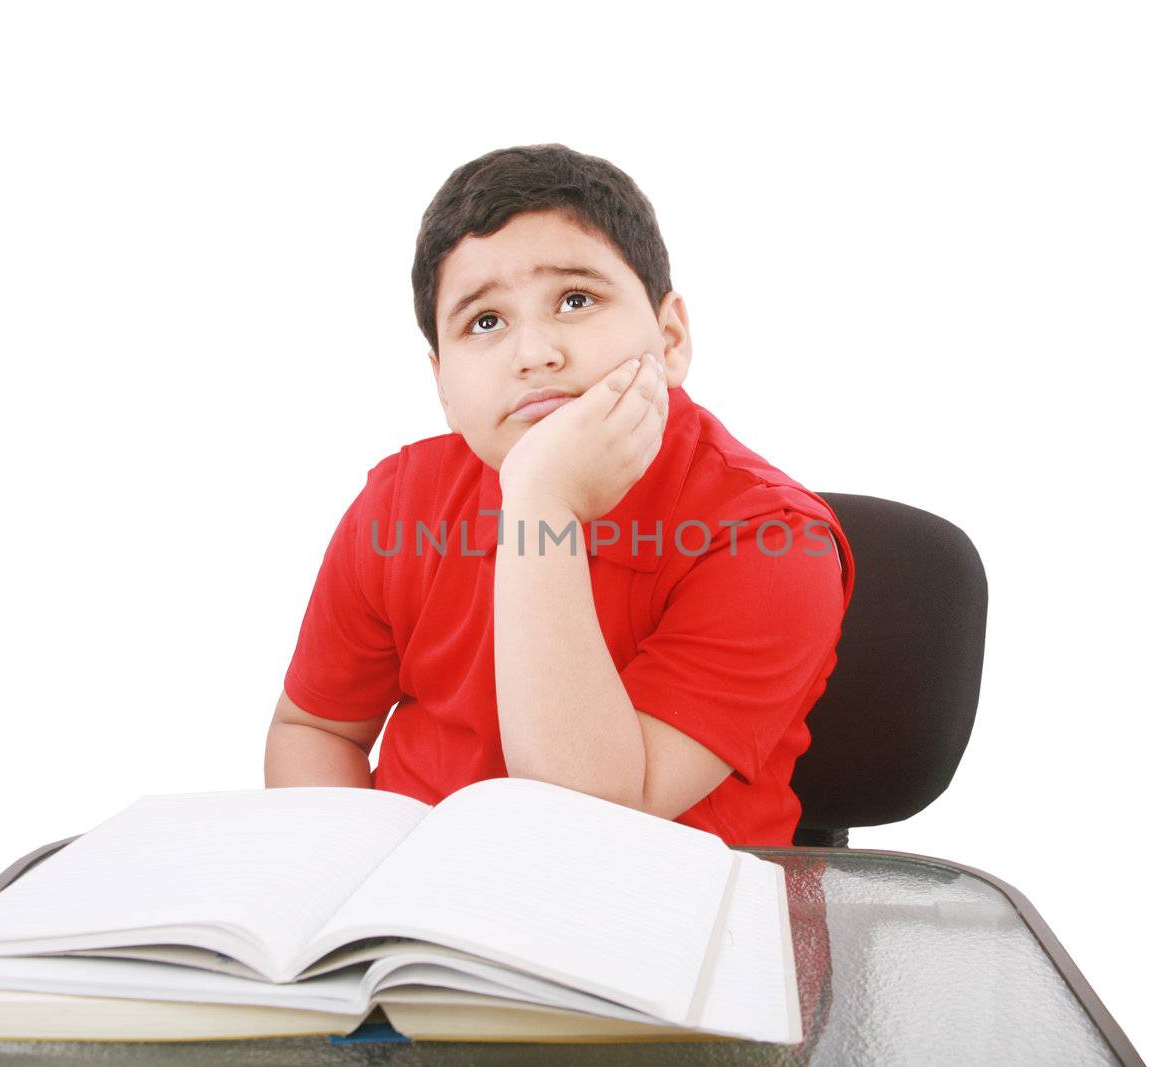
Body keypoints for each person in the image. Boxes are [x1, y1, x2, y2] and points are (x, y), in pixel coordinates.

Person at [263, 144, 856, 846]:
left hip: (654, 919)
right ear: (442, 387)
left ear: (669, 339)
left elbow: (585, 820)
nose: (534, 352)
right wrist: (350, 874)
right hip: (417, 912)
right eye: (485, 321)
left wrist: (542, 503)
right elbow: (315, 728)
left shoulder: (771, 540)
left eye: (576, 300)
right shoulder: (398, 505)